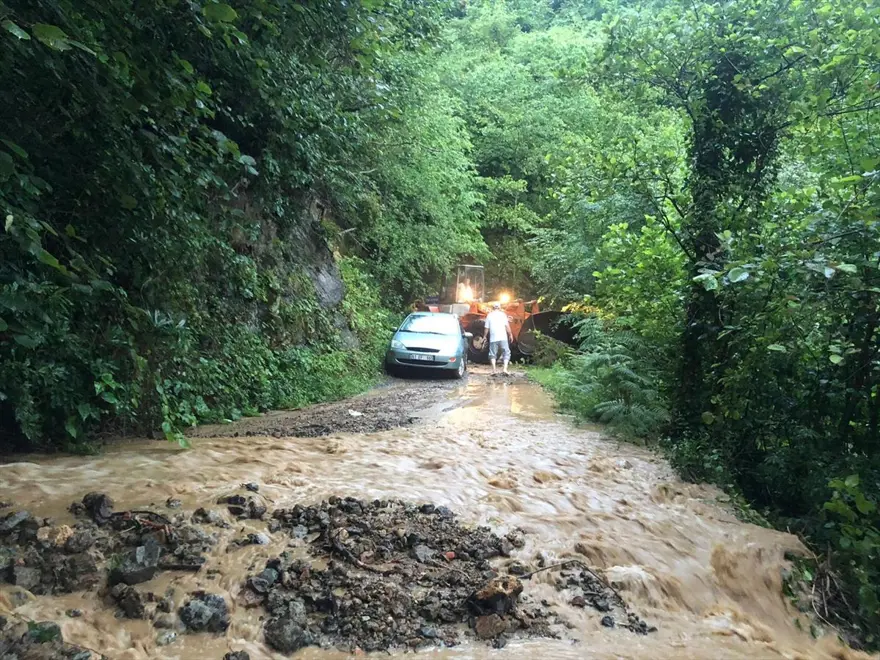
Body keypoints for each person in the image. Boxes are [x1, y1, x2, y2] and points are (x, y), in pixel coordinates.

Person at [483, 302, 512, 375]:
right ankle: (505, 369)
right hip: (503, 338)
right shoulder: (503, 315)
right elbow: (507, 326)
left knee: (492, 354)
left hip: (493, 338)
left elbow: (486, 328)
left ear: (493, 308)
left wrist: (484, 336)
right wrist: (510, 334)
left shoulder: (489, 315)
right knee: (506, 353)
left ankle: (494, 370)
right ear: (499, 308)